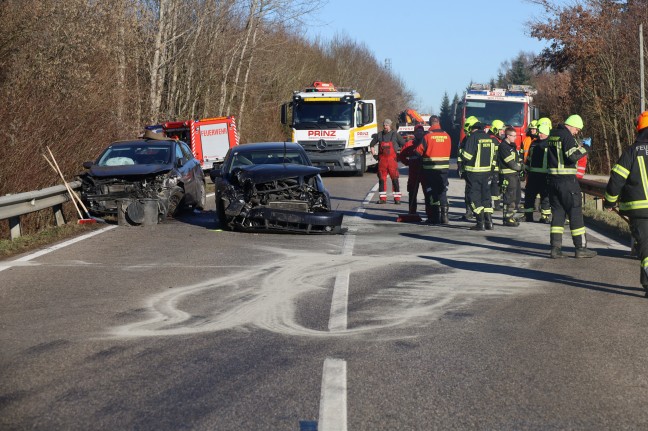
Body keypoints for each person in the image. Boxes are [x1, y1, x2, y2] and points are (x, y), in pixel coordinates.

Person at [604, 111, 648, 296]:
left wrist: (609, 201)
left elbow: (617, 180)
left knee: (646, 247)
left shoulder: (631, 152)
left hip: (639, 209)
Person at [546, 114, 596, 258]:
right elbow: (572, 156)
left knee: (558, 215)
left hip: (553, 181)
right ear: (573, 125)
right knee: (575, 214)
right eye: (577, 130)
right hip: (567, 181)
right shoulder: (566, 136)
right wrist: (586, 147)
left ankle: (555, 249)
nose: (577, 133)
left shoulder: (553, 135)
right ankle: (581, 248)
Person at [461, 121, 497, 230]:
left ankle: (480, 222)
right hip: (486, 173)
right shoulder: (490, 138)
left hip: (473, 172)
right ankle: (489, 222)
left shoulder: (473, 137)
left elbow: (467, 156)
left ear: (474, 129)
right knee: (486, 197)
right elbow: (494, 157)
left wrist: (461, 153)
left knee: (474, 197)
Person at [417, 115, 452, 224]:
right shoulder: (447, 135)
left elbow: (419, 151)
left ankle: (434, 217)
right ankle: (445, 217)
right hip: (444, 169)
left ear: (429, 124)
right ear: (439, 122)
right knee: (442, 191)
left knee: (432, 192)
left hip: (430, 169)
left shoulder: (428, 136)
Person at [370, 119, 405, 204]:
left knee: (395, 179)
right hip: (382, 162)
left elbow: (404, 145)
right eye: (384, 125)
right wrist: (374, 155)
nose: (385, 127)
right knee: (382, 180)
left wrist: (400, 156)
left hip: (392, 161)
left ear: (390, 126)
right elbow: (371, 145)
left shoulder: (395, 135)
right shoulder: (379, 135)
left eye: (387, 125)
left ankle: (397, 199)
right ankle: (382, 199)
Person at [523, 123, 552, 223]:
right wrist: (525, 169)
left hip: (545, 175)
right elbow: (529, 158)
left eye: (542, 133)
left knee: (545, 197)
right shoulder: (534, 143)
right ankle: (528, 216)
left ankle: (545, 217)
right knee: (529, 195)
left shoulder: (550, 144)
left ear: (547, 134)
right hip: (532, 175)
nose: (539, 135)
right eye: (539, 133)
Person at [398, 124, 426, 216]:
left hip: (425, 171)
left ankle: (429, 212)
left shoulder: (427, 142)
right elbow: (401, 155)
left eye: (421, 131)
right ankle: (412, 211)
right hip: (413, 172)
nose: (419, 133)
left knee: (427, 192)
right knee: (412, 192)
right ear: (414, 133)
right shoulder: (409, 144)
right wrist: (408, 163)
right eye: (417, 131)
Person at [498, 126, 523, 226]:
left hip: (514, 175)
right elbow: (511, 163)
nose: (515, 138)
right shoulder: (503, 147)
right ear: (507, 136)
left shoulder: (512, 146)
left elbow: (517, 159)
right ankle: (507, 218)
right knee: (509, 197)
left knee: (516, 197)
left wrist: (521, 166)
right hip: (508, 175)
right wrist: (521, 167)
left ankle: (511, 216)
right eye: (513, 136)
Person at [458, 116, 479, 221]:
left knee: (474, 192)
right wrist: (460, 166)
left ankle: (476, 212)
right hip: (468, 169)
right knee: (468, 191)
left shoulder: (475, 138)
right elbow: (460, 153)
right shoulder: (466, 139)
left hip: (476, 169)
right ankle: (469, 211)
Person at [488, 119, 506, 211]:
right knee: (495, 185)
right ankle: (496, 204)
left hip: (496, 166)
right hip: (494, 167)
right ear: (495, 130)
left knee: (497, 185)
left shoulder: (496, 139)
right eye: (500, 130)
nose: (502, 132)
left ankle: (496, 203)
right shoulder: (493, 140)